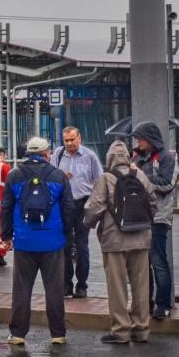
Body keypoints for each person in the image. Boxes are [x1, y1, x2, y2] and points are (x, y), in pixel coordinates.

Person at [0, 136, 73, 346]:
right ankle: (58, 334)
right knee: (54, 290)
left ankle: (18, 334)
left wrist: (6, 236)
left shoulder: (14, 176)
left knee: (22, 289)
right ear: (46, 153)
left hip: (24, 242)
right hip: (53, 242)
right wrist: (66, 234)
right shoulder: (58, 176)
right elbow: (68, 208)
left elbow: (5, 208)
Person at [84, 141, 156, 344]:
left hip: (114, 240)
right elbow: (152, 203)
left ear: (109, 159)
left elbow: (94, 208)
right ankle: (142, 329)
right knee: (141, 286)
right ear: (127, 157)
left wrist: (87, 224)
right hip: (141, 238)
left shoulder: (106, 179)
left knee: (117, 288)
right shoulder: (140, 175)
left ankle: (121, 331)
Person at [132, 121, 179, 320]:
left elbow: (167, 184)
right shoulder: (138, 157)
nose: (137, 142)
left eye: (140, 138)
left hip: (158, 217)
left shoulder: (167, 158)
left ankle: (163, 304)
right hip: (139, 216)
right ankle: (145, 303)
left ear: (150, 139)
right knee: (142, 264)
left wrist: (140, 175)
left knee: (158, 261)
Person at [51, 126, 103, 298]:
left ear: (79, 138)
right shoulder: (58, 154)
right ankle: (66, 284)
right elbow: (50, 178)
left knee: (82, 247)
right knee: (64, 246)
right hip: (64, 205)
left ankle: (82, 285)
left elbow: (99, 182)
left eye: (72, 139)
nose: (69, 143)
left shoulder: (89, 156)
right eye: (66, 140)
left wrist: (94, 205)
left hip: (83, 204)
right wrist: (60, 177)